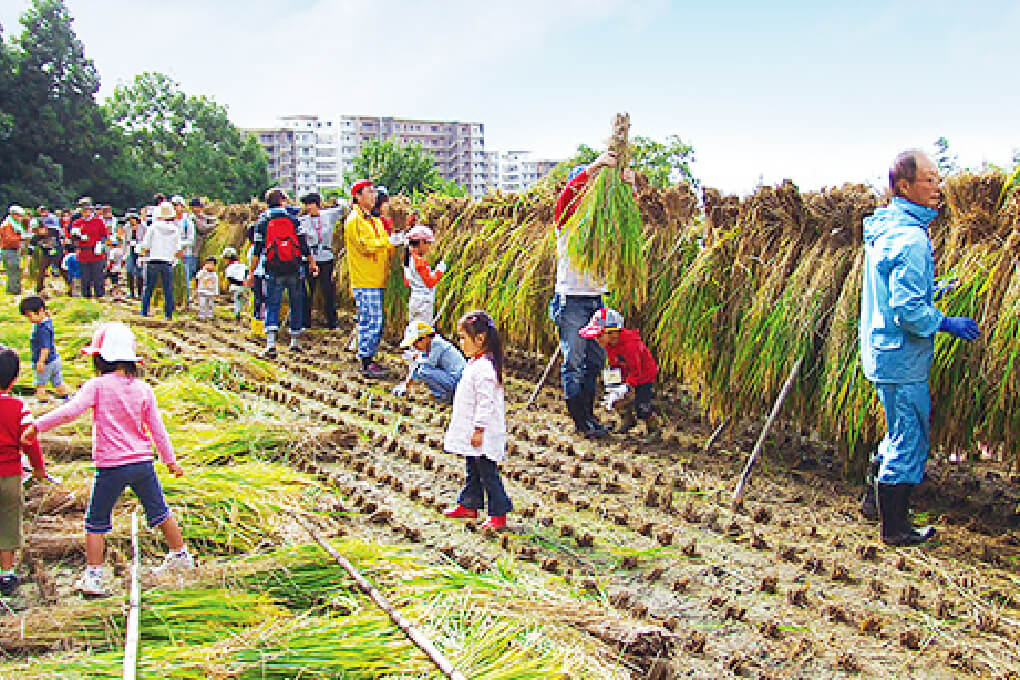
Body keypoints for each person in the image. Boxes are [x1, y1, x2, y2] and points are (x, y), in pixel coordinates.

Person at [859, 150, 980, 547]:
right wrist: (945, 321)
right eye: (929, 180)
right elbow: (909, 310)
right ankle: (896, 528)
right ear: (904, 186)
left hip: (883, 349)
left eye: (938, 179)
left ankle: (873, 503)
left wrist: (934, 289)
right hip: (902, 357)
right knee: (909, 436)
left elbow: (899, 289)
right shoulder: (910, 239)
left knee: (897, 428)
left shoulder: (886, 229)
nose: (937, 188)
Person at [22, 323, 193, 597]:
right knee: (159, 511)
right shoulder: (143, 389)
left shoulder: (97, 386)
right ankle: (180, 554)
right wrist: (171, 461)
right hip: (142, 463)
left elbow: (70, 412)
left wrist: (37, 425)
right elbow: (157, 429)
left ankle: (94, 576)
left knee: (96, 521)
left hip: (112, 466)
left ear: (101, 358)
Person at [550, 152, 635, 439]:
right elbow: (567, 196)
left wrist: (628, 188)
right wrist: (596, 166)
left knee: (596, 362)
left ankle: (589, 417)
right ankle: (581, 422)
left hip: (596, 301)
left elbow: (627, 225)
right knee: (573, 363)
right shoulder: (566, 224)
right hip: (571, 300)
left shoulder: (602, 229)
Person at [442, 311, 511, 529]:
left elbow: (486, 402)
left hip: (484, 430)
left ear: (479, 339)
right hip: (474, 428)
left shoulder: (484, 369)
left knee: (487, 473)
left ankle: (499, 513)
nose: (460, 343)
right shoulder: (476, 363)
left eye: (463, 338)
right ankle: (469, 503)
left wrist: (479, 428)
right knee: (473, 467)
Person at [0, 346, 47, 597]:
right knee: (7, 522)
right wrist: (38, 468)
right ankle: (6, 574)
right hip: (9, 476)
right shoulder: (18, 407)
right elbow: (30, 441)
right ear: (14, 379)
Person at [248, 188, 317, 358]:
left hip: (272, 268)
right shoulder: (292, 219)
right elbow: (303, 243)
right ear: (281, 201)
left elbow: (257, 249)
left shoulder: (263, 220)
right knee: (296, 302)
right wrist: (312, 263)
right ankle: (294, 341)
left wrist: (251, 272)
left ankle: (271, 343)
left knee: (272, 303)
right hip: (294, 267)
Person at [344, 180, 402, 378]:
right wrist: (388, 242)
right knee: (371, 321)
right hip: (365, 280)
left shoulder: (374, 220)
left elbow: (383, 246)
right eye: (368, 192)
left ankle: (369, 357)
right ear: (357, 196)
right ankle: (366, 361)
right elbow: (366, 246)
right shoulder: (354, 221)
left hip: (378, 278)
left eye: (373, 192)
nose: (373, 196)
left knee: (375, 320)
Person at [579, 308, 659, 440]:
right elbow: (614, 364)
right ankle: (627, 420)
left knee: (642, 406)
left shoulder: (630, 345)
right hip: (626, 374)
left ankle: (653, 428)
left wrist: (627, 386)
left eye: (599, 335)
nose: (597, 340)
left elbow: (636, 370)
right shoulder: (610, 345)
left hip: (643, 376)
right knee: (617, 399)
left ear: (613, 332)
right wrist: (613, 385)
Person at [298, 192, 344, 330]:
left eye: (311, 204)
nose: (308, 207)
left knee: (328, 290)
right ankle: (305, 322)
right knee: (308, 291)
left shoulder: (328, 215)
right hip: (309, 258)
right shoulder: (303, 221)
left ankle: (332, 322)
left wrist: (338, 200)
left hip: (326, 257)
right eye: (306, 204)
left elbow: (344, 208)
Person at [393, 321, 466, 403]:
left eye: (415, 343)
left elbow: (423, 366)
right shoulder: (428, 346)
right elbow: (417, 367)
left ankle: (445, 396)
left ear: (425, 338)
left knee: (424, 371)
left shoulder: (437, 344)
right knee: (423, 371)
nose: (415, 347)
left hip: (458, 381)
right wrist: (405, 385)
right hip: (451, 379)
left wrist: (406, 385)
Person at [19, 296, 70, 402]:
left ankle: (42, 402)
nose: (29, 319)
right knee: (58, 382)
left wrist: (40, 362)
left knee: (40, 384)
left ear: (40, 311)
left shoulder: (42, 330)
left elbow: (45, 348)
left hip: (46, 362)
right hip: (54, 359)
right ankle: (67, 398)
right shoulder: (47, 322)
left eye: (30, 316)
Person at [140, 201, 182, 320]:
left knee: (148, 287)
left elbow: (146, 244)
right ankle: (168, 314)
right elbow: (178, 248)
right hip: (167, 261)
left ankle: (144, 311)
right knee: (168, 289)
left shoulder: (153, 227)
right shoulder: (175, 229)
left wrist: (142, 253)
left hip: (153, 259)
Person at [402, 225, 446, 326]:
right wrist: (440, 269)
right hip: (424, 302)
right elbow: (430, 282)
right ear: (421, 242)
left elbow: (407, 282)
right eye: (428, 243)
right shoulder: (419, 261)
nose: (429, 247)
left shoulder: (408, 258)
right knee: (423, 332)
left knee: (414, 329)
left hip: (414, 300)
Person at [71, 198, 109, 299]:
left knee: (98, 276)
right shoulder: (77, 222)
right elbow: (73, 238)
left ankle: (100, 295)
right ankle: (86, 296)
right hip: (83, 252)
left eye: (88, 211)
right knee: (85, 277)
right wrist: (77, 237)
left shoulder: (98, 221)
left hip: (95, 252)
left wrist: (101, 244)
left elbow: (105, 235)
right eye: (84, 211)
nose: (86, 213)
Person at [30, 207, 63, 294]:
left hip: (57, 252)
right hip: (46, 253)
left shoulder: (54, 231)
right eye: (35, 230)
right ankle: (39, 289)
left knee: (62, 269)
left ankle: (71, 286)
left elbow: (62, 240)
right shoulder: (36, 237)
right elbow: (31, 248)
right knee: (42, 270)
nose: (37, 232)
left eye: (38, 230)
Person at [1, 205, 28, 295]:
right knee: (13, 270)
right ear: (13, 215)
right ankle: (14, 291)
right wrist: (21, 238)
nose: (20, 218)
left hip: (14, 250)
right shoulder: (7, 225)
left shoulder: (14, 225)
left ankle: (14, 289)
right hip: (9, 250)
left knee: (15, 270)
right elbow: (9, 239)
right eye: (19, 215)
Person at [222, 247, 248, 321]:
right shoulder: (243, 265)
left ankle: (237, 314)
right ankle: (241, 313)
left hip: (236, 286)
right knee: (242, 300)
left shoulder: (229, 268)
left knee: (237, 300)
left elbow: (230, 278)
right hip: (244, 286)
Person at [124, 212, 143, 299]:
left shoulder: (143, 228)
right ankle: (131, 291)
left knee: (140, 272)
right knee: (129, 271)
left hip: (139, 250)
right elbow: (125, 241)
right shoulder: (126, 228)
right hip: (130, 250)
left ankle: (140, 292)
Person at [194, 256, 219, 321]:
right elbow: (197, 278)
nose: (210, 266)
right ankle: (201, 315)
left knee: (210, 304)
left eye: (212, 264)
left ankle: (209, 314)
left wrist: (216, 292)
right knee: (202, 304)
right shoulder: (202, 272)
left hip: (211, 292)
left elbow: (216, 284)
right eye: (208, 263)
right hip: (202, 291)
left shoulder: (214, 274)